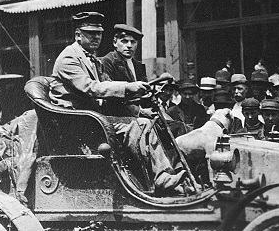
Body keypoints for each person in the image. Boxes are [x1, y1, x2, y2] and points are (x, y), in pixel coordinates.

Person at [49, 11, 186, 193]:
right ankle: (155, 180)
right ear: (78, 36)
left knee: (144, 122)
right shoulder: (69, 57)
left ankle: (162, 177)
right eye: (90, 34)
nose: (96, 38)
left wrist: (137, 94)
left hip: (93, 118)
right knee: (136, 126)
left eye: (98, 34)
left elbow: (108, 86)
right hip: (77, 121)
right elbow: (91, 88)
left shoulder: (91, 58)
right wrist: (128, 87)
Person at [99, 24, 148, 116]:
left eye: (133, 42)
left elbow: (144, 93)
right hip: (118, 114)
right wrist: (140, 111)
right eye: (124, 41)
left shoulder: (138, 65)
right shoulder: (108, 61)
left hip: (140, 112)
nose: (129, 46)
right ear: (115, 43)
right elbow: (110, 95)